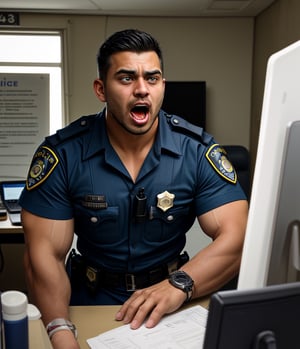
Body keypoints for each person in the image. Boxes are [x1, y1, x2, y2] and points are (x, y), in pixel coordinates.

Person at [20, 29, 248, 349]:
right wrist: (60, 330)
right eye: (126, 78)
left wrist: (178, 285)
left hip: (175, 301)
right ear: (101, 89)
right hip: (90, 300)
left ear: (162, 86)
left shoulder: (197, 152)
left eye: (152, 79)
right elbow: (43, 255)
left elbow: (236, 238)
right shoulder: (63, 155)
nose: (142, 89)